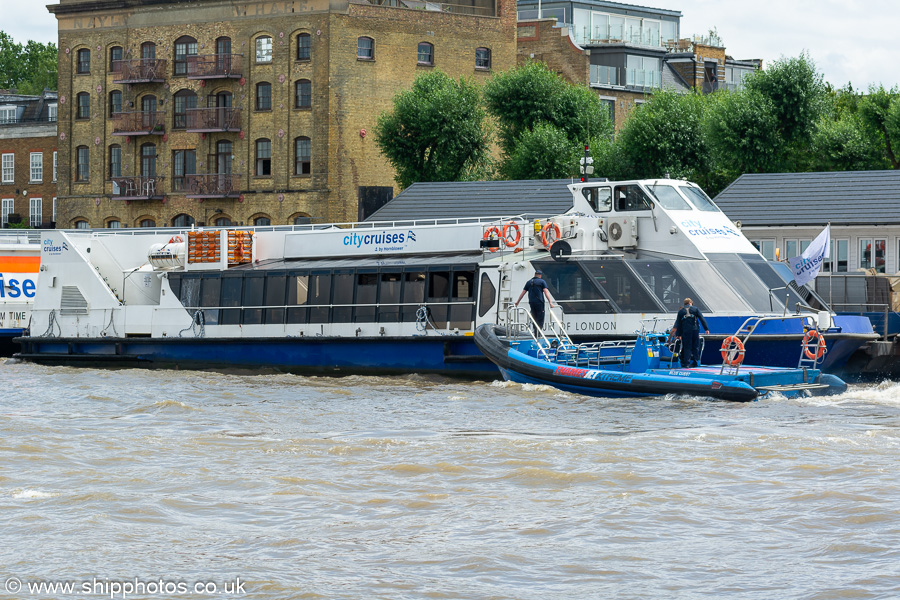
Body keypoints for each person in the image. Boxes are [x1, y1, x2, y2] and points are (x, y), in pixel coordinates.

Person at [672, 298, 709, 368]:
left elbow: (678, 324)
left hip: (686, 331)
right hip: (695, 330)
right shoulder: (695, 309)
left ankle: (687, 364)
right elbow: (702, 319)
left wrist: (678, 335)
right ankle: (695, 363)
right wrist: (706, 329)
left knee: (687, 347)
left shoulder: (681, 311)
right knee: (696, 347)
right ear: (690, 303)